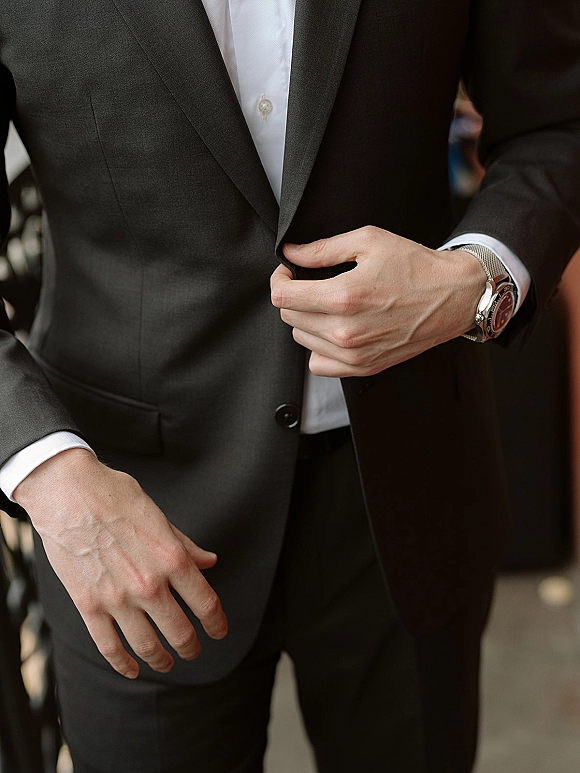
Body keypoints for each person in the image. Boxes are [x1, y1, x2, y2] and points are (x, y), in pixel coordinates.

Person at [1, 1, 579, 771]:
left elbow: (557, 120)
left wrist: (473, 279)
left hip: (410, 486)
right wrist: (48, 475)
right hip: (129, 510)